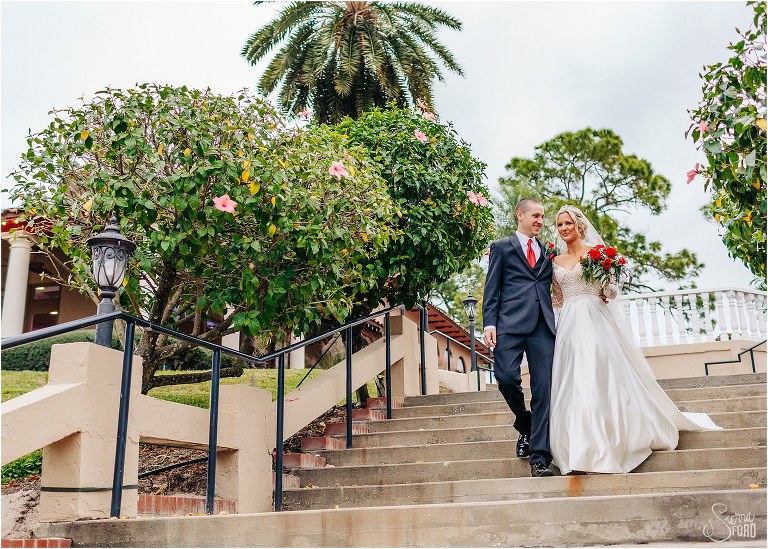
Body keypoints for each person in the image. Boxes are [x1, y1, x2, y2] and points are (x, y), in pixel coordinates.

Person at [549, 204, 721, 475]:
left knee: (598, 378)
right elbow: (557, 299)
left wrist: (609, 285)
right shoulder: (554, 263)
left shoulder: (597, 254)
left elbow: (611, 292)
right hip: (569, 324)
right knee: (573, 382)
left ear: (579, 226)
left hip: (595, 320)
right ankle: (579, 449)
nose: (564, 228)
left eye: (568, 223)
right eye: (559, 224)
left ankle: (607, 445)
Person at [482, 197, 557, 477]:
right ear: (520, 215)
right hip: (509, 325)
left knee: (543, 391)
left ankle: (540, 458)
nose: (539, 221)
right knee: (506, 377)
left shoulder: (547, 251)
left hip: (542, 327)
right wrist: (489, 324)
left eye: (542, 217)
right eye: (535, 215)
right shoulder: (501, 247)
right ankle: (524, 423)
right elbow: (492, 289)